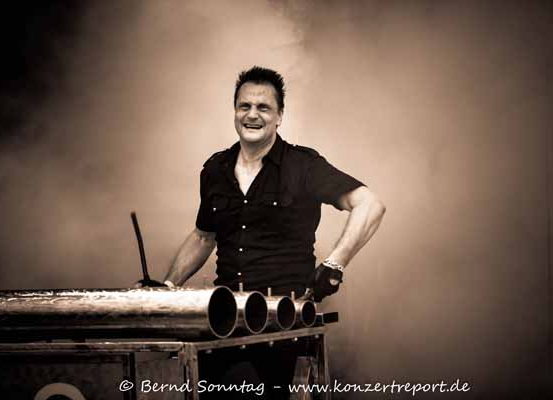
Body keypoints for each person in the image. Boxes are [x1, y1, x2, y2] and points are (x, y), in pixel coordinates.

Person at [162, 66, 386, 302]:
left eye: (263, 108)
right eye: (244, 106)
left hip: (287, 313)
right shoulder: (215, 169)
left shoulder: (304, 165)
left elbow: (370, 204)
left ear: (279, 116)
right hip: (226, 311)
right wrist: (165, 287)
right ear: (235, 112)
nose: (252, 115)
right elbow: (203, 237)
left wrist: (335, 264)